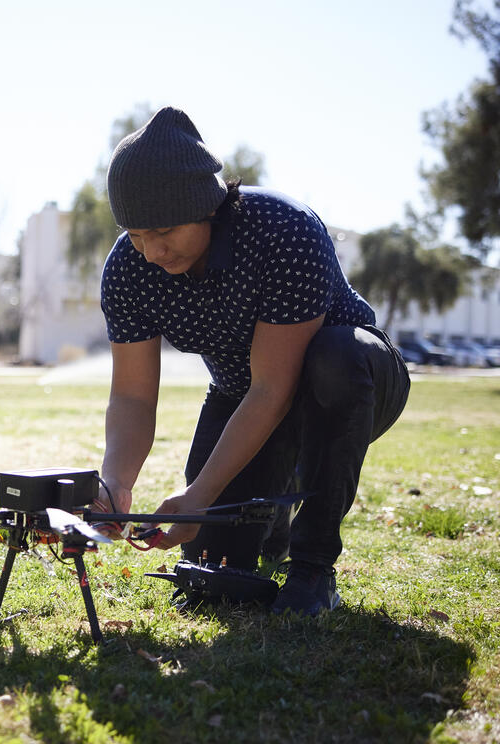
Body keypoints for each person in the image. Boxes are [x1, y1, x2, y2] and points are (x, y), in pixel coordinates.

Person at [90, 106, 410, 615]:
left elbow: (275, 388)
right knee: (212, 572)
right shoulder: (128, 268)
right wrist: (115, 483)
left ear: (205, 207)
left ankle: (312, 567)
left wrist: (200, 493)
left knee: (332, 356)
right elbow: (131, 395)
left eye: (165, 230)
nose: (151, 251)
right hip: (244, 394)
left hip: (350, 382)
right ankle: (270, 526)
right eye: (136, 234)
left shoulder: (285, 231)